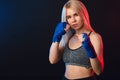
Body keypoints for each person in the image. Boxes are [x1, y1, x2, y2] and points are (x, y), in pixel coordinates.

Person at [49, 0, 104, 80]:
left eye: (76, 15)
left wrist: (89, 49)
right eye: (69, 17)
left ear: (83, 14)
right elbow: (52, 60)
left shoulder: (94, 37)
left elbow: (99, 71)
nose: (73, 20)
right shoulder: (68, 37)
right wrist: (56, 37)